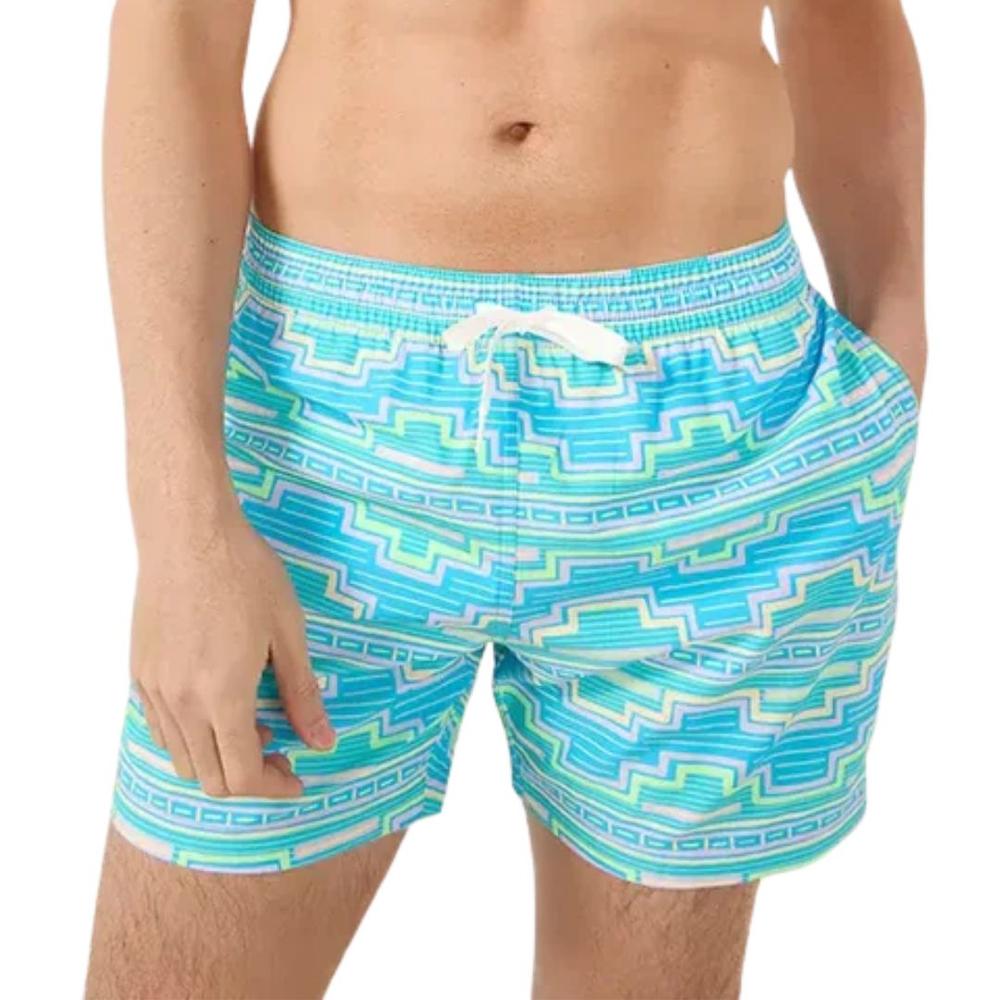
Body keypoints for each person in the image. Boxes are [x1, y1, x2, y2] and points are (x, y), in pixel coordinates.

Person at [85, 1, 926, 997]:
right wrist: (179, 524)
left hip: (723, 434)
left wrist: (892, 353)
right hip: (326, 426)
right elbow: (176, 31)